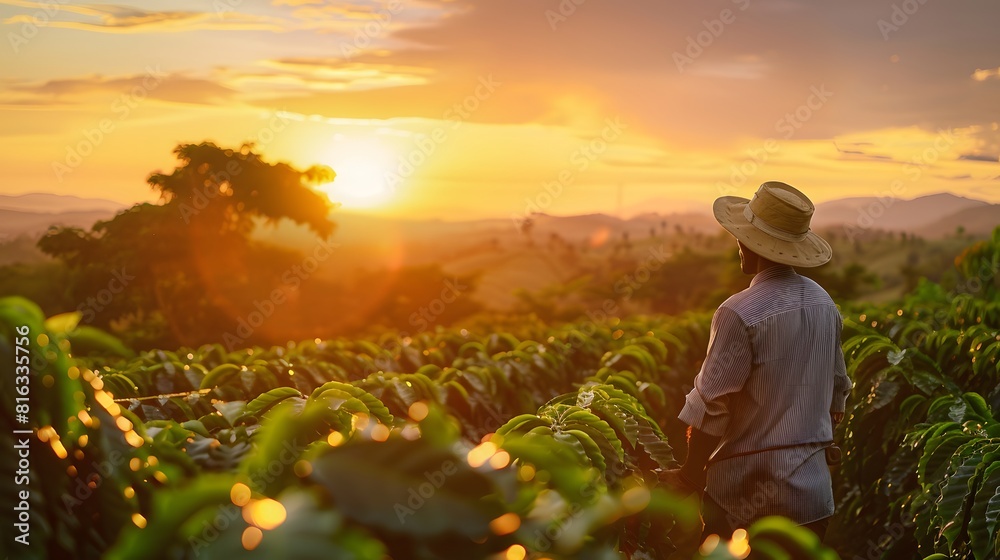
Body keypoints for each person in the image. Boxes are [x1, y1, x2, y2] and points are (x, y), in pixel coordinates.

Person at [661, 181, 853, 540]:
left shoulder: (739, 312)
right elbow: (838, 388)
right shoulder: (824, 304)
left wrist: (689, 474)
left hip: (744, 498)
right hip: (811, 498)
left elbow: (711, 405)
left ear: (750, 243)